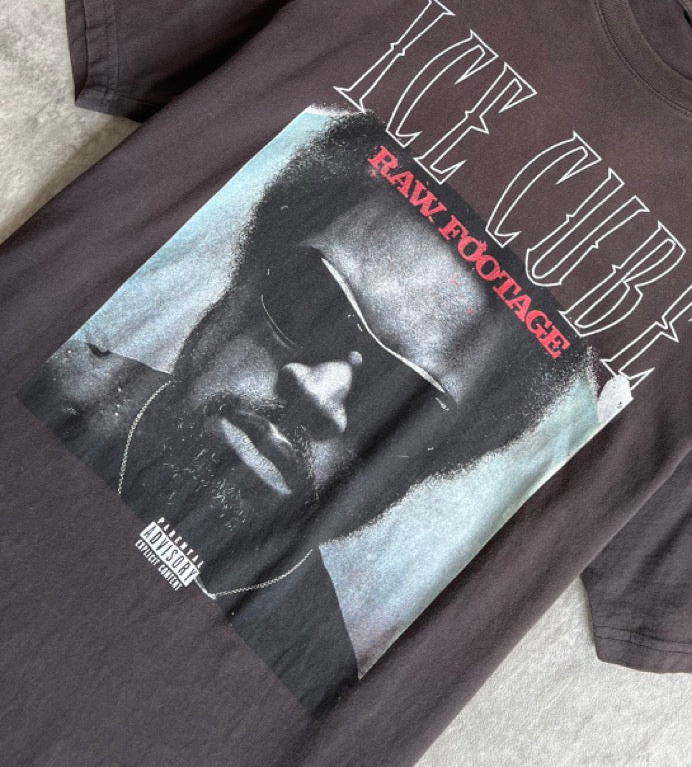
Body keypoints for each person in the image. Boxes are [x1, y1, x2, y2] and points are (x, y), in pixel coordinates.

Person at [17, 108, 598, 715]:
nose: (319, 394)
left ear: (436, 463)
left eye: (403, 396)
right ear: (244, 269)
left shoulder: (323, 689)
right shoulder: (43, 378)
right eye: (312, 301)